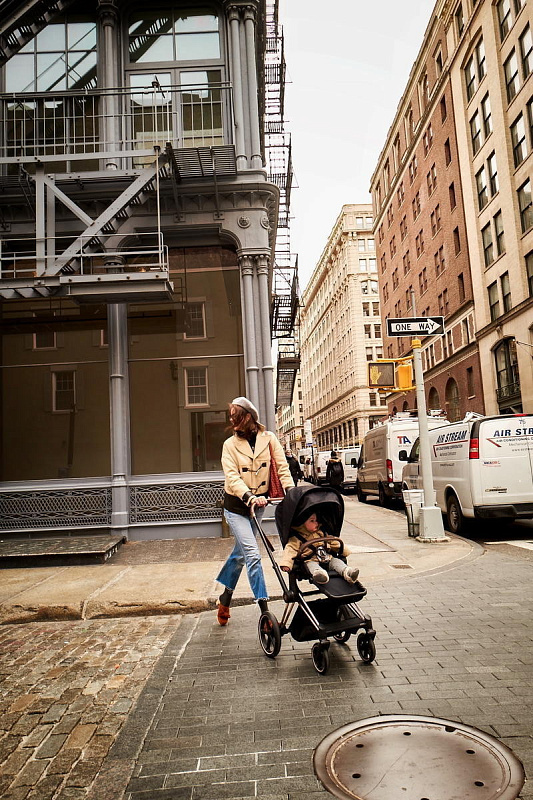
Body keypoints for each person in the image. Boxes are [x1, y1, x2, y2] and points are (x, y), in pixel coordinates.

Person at [215, 396, 295, 625]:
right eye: (231, 417)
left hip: (258, 506)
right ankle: (264, 610)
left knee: (241, 554)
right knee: (252, 555)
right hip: (236, 507)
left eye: (236, 417)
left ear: (249, 417)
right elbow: (232, 477)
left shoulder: (269, 439)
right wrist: (248, 496)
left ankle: (225, 597)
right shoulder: (229, 445)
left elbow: (282, 467)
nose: (232, 421)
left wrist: (292, 492)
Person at [278, 509, 359, 584]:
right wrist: (286, 563)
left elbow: (333, 542)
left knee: (336, 562)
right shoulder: (296, 538)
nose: (316, 523)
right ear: (302, 523)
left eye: (316, 520)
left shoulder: (321, 533)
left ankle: (348, 572)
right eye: (312, 521)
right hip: (310, 560)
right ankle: (320, 575)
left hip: (326, 558)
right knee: (311, 565)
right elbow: (290, 549)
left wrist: (343, 550)